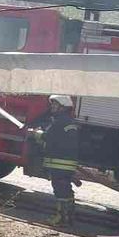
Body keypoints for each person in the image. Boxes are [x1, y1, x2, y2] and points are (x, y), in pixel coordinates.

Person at [37, 94, 80, 226]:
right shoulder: (70, 122)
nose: (52, 107)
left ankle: (61, 219)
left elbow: (48, 137)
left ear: (62, 107)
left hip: (58, 163)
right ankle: (69, 217)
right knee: (66, 190)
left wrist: (36, 134)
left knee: (60, 190)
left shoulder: (58, 122)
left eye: (55, 104)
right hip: (67, 164)